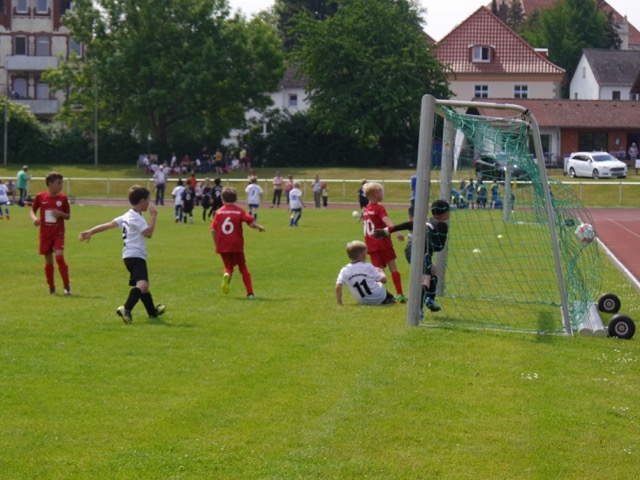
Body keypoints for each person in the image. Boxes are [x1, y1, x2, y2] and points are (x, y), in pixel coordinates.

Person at [79, 185, 165, 324]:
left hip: (128, 255)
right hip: (136, 255)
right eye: (147, 200)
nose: (149, 203)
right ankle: (127, 308)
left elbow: (109, 224)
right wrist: (153, 216)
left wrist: (91, 231)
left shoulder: (127, 215)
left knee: (145, 287)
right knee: (142, 285)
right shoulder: (137, 218)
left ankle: (152, 312)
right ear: (142, 201)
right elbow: (148, 233)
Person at [373, 199, 450, 316]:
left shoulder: (424, 221)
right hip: (422, 252)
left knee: (433, 271)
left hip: (409, 250)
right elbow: (439, 247)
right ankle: (417, 310)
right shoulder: (442, 225)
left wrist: (387, 230)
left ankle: (430, 299)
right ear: (444, 213)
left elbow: (408, 224)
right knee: (425, 280)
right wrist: (431, 245)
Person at [211, 187, 265, 299]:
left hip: (223, 244)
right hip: (236, 244)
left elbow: (213, 229)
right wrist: (259, 227)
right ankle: (250, 293)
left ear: (222, 199)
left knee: (228, 266)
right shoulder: (239, 211)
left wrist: (216, 244)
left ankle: (227, 274)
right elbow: (250, 223)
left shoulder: (219, 212)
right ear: (235, 199)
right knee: (242, 267)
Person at [362, 182, 406, 303]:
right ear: (374, 194)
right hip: (383, 243)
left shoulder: (366, 210)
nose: (382, 193)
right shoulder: (379, 208)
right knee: (393, 267)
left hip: (371, 245)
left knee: (378, 272)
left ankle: (378, 296)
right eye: (380, 191)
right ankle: (400, 294)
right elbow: (385, 219)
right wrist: (396, 231)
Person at [30, 172, 71, 295]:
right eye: (59, 183)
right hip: (45, 234)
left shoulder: (63, 198)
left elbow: (68, 216)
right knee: (49, 262)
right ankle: (52, 287)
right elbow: (32, 211)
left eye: (61, 183)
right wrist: (34, 219)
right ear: (50, 183)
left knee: (59, 257)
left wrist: (61, 214)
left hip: (58, 233)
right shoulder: (40, 197)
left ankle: (66, 287)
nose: (61, 185)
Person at [335, 241, 396, 306]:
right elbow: (384, 280)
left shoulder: (344, 270)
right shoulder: (367, 266)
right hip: (380, 297)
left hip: (363, 301)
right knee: (378, 283)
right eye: (365, 252)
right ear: (361, 254)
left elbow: (338, 286)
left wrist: (340, 303)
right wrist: (381, 272)